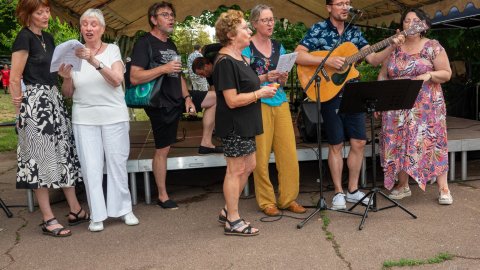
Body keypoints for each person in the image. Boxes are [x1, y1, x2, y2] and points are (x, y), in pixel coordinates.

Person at [295, 0, 404, 210]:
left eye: (347, 3)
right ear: (329, 7)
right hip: (329, 92)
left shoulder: (354, 32)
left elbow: (372, 59)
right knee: (335, 144)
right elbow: (298, 55)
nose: (345, 7)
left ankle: (353, 190)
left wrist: (391, 45)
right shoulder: (318, 29)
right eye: (340, 3)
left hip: (353, 91)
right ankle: (337, 192)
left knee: (359, 142)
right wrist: (326, 61)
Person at [10, 0, 88, 237]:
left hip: (53, 100)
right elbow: (15, 78)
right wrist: (20, 113)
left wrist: (65, 76)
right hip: (34, 103)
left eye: (47, 11)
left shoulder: (50, 38)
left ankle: (75, 209)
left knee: (63, 155)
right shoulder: (24, 38)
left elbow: (55, 74)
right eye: (40, 12)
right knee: (39, 161)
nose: (46, 15)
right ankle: (48, 218)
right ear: (28, 14)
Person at [58, 8, 139, 232]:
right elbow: (68, 93)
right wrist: (66, 79)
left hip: (113, 115)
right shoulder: (72, 54)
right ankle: (97, 214)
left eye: (93, 24)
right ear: (81, 29)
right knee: (90, 167)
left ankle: (124, 209)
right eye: (85, 24)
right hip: (84, 117)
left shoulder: (112, 50)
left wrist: (92, 59)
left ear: (102, 29)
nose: (89, 28)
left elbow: (116, 80)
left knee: (116, 163)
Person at [377, 8, 453, 205]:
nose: (410, 24)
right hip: (396, 107)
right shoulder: (394, 48)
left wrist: (429, 75)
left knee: (433, 144)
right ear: (402, 26)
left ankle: (443, 187)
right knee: (400, 144)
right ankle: (403, 186)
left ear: (424, 25)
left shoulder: (432, 46)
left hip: (426, 108)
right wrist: (379, 99)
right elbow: (383, 75)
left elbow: (446, 73)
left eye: (415, 20)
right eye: (406, 21)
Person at [213, 9, 276, 236]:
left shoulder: (240, 57)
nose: (249, 30)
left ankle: (228, 210)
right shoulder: (225, 62)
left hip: (246, 122)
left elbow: (246, 82)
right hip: (234, 125)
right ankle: (233, 219)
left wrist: (266, 79)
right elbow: (231, 100)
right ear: (231, 34)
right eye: (244, 28)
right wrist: (261, 94)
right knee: (235, 169)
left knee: (248, 166)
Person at [129, 1, 196, 209]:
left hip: (176, 100)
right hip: (159, 104)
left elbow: (178, 74)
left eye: (172, 15)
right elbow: (134, 77)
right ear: (153, 19)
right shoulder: (144, 43)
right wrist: (163, 68)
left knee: (214, 99)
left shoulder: (170, 43)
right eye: (165, 15)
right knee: (162, 149)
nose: (171, 18)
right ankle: (162, 195)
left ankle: (208, 145)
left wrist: (188, 98)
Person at [242, 4, 305, 216]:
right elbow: (242, 80)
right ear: (254, 23)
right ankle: (267, 201)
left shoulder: (279, 46)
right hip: (258, 103)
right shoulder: (246, 48)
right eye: (265, 20)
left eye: (272, 19)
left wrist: (282, 77)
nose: (270, 23)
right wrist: (263, 78)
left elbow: (281, 74)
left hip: (280, 101)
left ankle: (289, 198)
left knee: (288, 153)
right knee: (260, 156)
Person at [189, 56, 223, 154]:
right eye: (200, 75)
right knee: (217, 99)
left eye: (202, 73)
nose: (203, 76)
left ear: (207, 65)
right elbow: (213, 90)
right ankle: (209, 137)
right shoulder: (209, 75)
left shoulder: (220, 65)